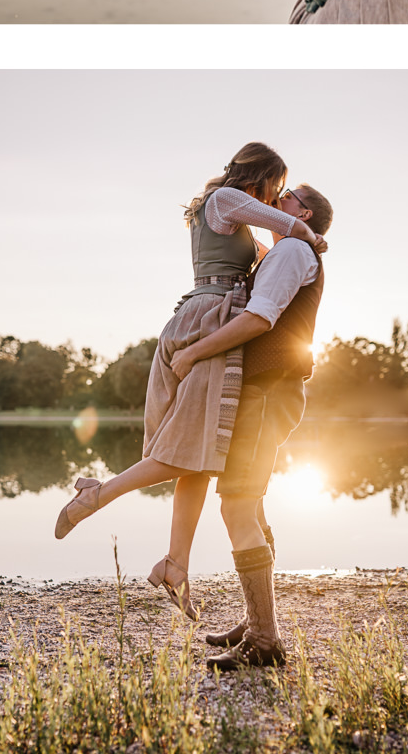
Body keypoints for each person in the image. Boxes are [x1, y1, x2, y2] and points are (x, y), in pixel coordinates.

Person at [53, 144, 325, 622]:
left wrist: (297, 246)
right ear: (260, 179)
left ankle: (176, 564)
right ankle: (98, 494)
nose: (277, 199)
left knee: (195, 455)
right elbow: (288, 231)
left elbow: (271, 261)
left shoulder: (235, 222)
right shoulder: (223, 200)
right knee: (182, 449)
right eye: (277, 188)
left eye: (286, 194)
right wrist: (308, 233)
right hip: (209, 323)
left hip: (209, 319)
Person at [164, 182, 333, 670]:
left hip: (268, 392)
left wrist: (194, 351)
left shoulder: (292, 252)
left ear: (303, 211)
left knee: (237, 502)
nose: (275, 202)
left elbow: (260, 320)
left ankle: (264, 637)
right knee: (249, 502)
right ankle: (257, 618)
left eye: (287, 197)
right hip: (264, 391)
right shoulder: (284, 250)